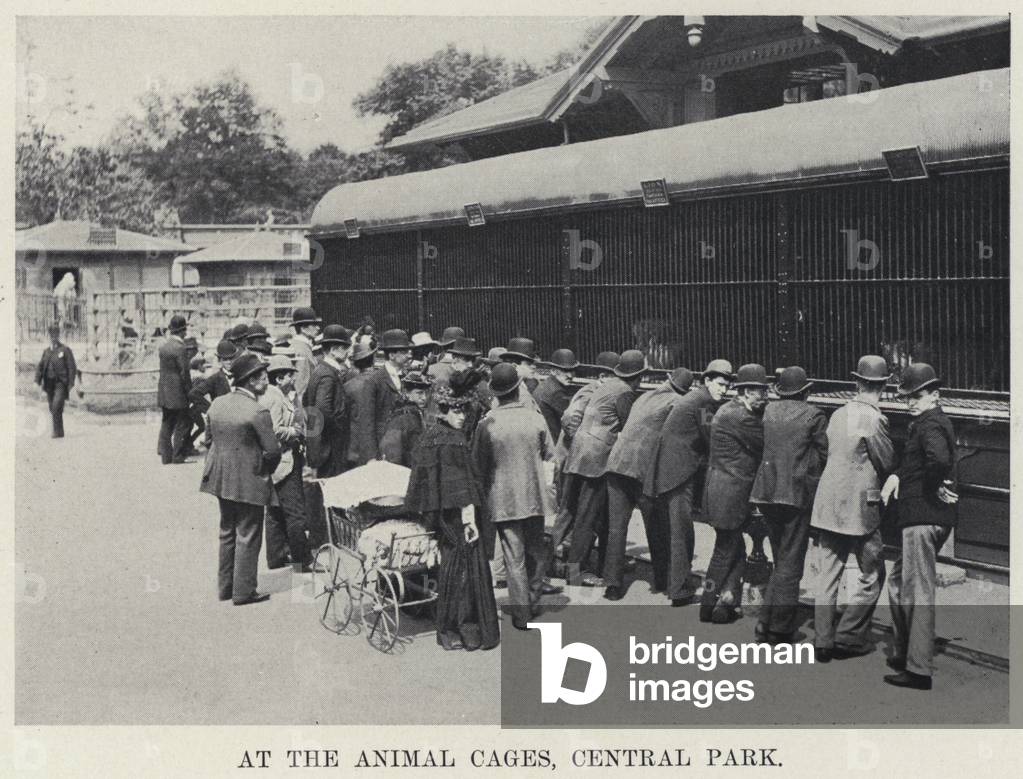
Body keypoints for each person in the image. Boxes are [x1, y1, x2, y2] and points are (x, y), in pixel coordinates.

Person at [810, 355, 896, 662]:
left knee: (827, 574)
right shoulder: (872, 417)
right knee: (872, 572)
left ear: (856, 382)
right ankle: (848, 636)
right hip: (860, 509)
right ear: (884, 385)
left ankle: (822, 640)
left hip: (828, 503)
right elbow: (886, 461)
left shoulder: (838, 413)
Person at [881, 363, 958, 690]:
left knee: (918, 590)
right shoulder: (927, 422)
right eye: (907, 396)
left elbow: (938, 460)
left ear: (935, 395)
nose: (911, 401)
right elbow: (920, 460)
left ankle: (918, 669)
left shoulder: (930, 424)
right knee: (899, 582)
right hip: (925, 518)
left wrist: (932, 486)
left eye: (918, 395)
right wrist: (899, 473)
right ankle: (905, 651)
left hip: (922, 517)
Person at [406, 386, 500, 651]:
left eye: (464, 412)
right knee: (465, 570)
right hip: (457, 516)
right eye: (456, 411)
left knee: (450, 568)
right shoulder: (454, 441)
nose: (462, 417)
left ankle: (449, 628)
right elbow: (462, 487)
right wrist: (469, 520)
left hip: (439, 514)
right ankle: (464, 625)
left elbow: (425, 481)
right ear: (444, 411)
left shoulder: (430, 436)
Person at [749, 366, 828, 643]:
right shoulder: (814, 415)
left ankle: (764, 622)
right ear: (806, 391)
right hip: (795, 495)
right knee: (791, 563)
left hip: (767, 493)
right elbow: (823, 453)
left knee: (781, 558)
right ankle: (780, 630)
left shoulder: (768, 411)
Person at [473, 363, 555, 629]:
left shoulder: (487, 424)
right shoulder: (535, 418)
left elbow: (478, 466)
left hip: (503, 501)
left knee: (513, 557)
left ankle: (521, 614)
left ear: (496, 392)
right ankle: (531, 598)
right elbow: (550, 456)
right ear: (518, 388)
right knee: (535, 551)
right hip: (535, 497)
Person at [644, 359, 732, 605]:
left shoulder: (695, 399)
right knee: (681, 531)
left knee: (674, 530)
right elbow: (711, 439)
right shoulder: (703, 402)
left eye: (727, 386)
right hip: (678, 473)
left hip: (669, 469)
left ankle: (672, 582)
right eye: (720, 385)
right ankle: (680, 590)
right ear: (706, 381)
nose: (723, 391)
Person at [602, 367, 694, 600]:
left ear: (667, 379)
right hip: (642, 470)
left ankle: (612, 586)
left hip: (616, 463)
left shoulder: (645, 395)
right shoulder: (677, 402)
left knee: (616, 528)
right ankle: (662, 579)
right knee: (655, 524)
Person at [200, 352, 281, 605]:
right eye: (264, 377)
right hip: (249, 480)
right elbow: (273, 451)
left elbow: (209, 440)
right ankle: (244, 591)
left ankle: (226, 588)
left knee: (227, 530)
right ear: (251, 381)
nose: (267, 382)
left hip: (220, 478)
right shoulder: (258, 411)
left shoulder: (217, 404)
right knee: (248, 532)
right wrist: (262, 469)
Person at [560, 350, 645, 586]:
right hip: (596, 459)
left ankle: (603, 563)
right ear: (639, 376)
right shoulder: (625, 392)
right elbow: (629, 428)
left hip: (582, 452)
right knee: (588, 518)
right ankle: (576, 573)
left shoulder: (609, 385)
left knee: (584, 514)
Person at [699, 364, 769, 624]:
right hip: (731, 494)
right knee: (723, 552)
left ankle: (726, 600)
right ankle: (707, 603)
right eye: (761, 392)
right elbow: (763, 443)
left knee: (735, 548)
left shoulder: (727, 410)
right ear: (748, 391)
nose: (765, 396)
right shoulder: (741, 418)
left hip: (718, 490)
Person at [261, 355, 312, 573]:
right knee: (295, 512)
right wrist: (294, 431)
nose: (293, 378)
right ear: (279, 378)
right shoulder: (275, 398)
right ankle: (301, 560)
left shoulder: (273, 394)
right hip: (285, 461)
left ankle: (276, 558)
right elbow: (273, 430)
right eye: (290, 375)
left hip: (275, 463)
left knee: (275, 511)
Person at [304, 325, 352, 479]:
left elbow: (306, 400)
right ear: (333, 350)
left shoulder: (319, 370)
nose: (348, 352)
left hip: (321, 442)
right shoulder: (328, 375)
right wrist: (338, 428)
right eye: (344, 348)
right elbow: (323, 409)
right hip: (330, 444)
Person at [157, 314, 193, 464]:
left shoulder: (164, 347)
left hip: (164, 391)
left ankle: (166, 456)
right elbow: (184, 372)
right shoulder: (180, 348)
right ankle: (178, 455)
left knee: (166, 423)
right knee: (182, 423)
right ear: (182, 331)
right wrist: (190, 392)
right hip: (178, 392)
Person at [189, 340, 237, 448]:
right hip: (221, 423)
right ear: (220, 360)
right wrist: (211, 409)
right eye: (225, 359)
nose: (229, 362)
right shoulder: (215, 378)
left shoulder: (242, 375)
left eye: (231, 358)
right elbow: (194, 394)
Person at [34, 324, 78, 438]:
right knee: (52, 407)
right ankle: (59, 431)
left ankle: (55, 431)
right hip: (48, 384)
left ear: (58, 335)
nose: (53, 337)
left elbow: (72, 367)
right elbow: (40, 367)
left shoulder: (65, 350)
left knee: (56, 405)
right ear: (49, 336)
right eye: (51, 335)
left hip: (60, 383)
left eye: (56, 335)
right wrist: (36, 381)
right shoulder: (46, 352)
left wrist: (70, 384)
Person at [379, 371, 431, 466]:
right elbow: (392, 452)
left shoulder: (416, 413)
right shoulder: (402, 417)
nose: (424, 397)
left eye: (426, 393)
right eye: (419, 393)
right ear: (407, 393)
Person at [343, 341, 381, 467]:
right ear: (373, 359)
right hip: (378, 443)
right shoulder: (382, 382)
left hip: (355, 445)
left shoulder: (348, 387)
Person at [533, 349, 579, 443]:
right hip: (553, 443)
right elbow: (570, 422)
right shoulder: (556, 392)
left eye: (572, 370)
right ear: (553, 371)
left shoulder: (547, 384)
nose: (570, 375)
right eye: (565, 371)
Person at [498, 338, 543, 412]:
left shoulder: (523, 385)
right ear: (515, 366)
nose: (534, 367)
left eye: (534, 364)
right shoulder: (513, 393)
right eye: (529, 364)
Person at [290, 306, 323, 400]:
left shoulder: (302, 347)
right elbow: (300, 388)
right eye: (314, 325)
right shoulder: (301, 350)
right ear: (303, 328)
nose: (318, 328)